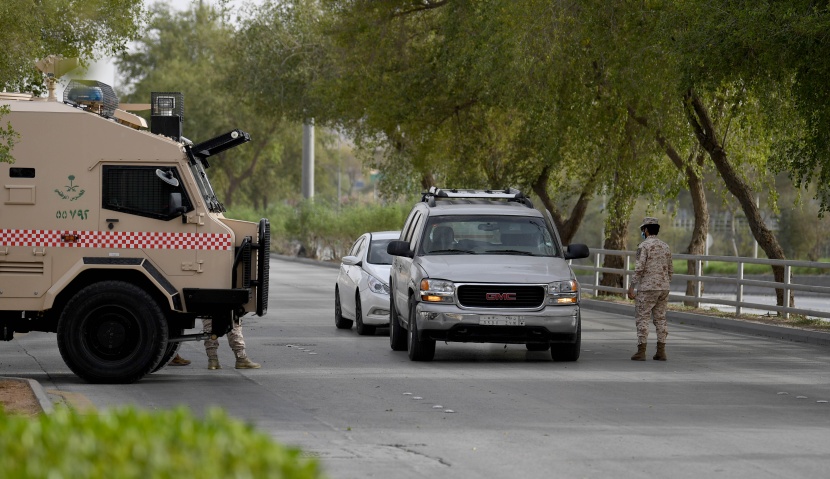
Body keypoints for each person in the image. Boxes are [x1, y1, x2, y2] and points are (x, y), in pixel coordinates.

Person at [626, 217, 673, 361]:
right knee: (660, 319)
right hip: (663, 288)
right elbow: (671, 269)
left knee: (643, 318)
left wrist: (632, 286)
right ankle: (661, 351)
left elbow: (639, 268)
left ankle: (641, 351)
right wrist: (665, 283)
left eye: (643, 230)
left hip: (647, 288)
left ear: (645, 230)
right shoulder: (665, 246)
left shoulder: (644, 246)